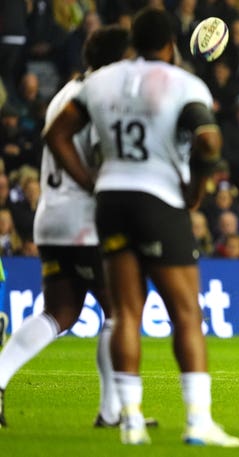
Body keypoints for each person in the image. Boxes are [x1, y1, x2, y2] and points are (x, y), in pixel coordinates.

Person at [44, 8, 239, 447]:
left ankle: (131, 420)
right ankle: (198, 421)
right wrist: (197, 185)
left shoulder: (100, 81)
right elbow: (208, 141)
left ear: (132, 43)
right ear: (171, 44)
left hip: (111, 202)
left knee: (125, 314)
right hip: (158, 200)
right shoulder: (184, 83)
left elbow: (56, 135)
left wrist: (90, 182)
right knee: (186, 313)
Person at [0, 25, 155, 430]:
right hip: (84, 218)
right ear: (119, 61)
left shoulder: (66, 93)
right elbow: (98, 155)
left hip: (50, 217)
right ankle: (113, 412)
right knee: (120, 309)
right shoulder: (99, 98)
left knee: (61, 311)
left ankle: (2, 377)